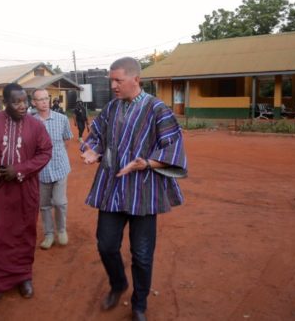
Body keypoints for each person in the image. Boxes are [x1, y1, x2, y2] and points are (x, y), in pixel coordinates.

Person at [80, 57, 187, 321]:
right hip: (112, 188)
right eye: (111, 81)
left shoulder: (157, 109)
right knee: (106, 245)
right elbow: (97, 135)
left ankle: (139, 303)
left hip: (144, 192)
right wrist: (93, 151)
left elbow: (173, 146)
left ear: (135, 79)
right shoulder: (111, 108)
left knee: (141, 254)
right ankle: (118, 284)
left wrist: (147, 162)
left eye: (118, 80)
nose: (113, 86)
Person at [0, 83, 52, 308]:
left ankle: (23, 277)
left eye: (25, 101)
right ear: (5, 102)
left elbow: (45, 152)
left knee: (23, 233)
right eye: (16, 102)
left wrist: (20, 169)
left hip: (26, 189)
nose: (22, 106)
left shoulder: (36, 126)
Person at [31, 89, 73, 250]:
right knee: (44, 205)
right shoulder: (31, 122)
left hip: (60, 167)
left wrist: (59, 157)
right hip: (40, 172)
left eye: (46, 98)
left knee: (60, 202)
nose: (44, 102)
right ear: (34, 102)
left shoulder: (62, 119)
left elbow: (66, 141)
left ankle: (61, 230)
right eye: (40, 99)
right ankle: (49, 234)